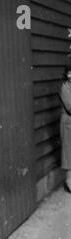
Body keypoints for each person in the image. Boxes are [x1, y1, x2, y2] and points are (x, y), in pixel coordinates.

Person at [60, 65, 71, 193]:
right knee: (68, 153)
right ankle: (69, 183)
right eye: (69, 74)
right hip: (68, 122)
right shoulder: (65, 87)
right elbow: (70, 106)